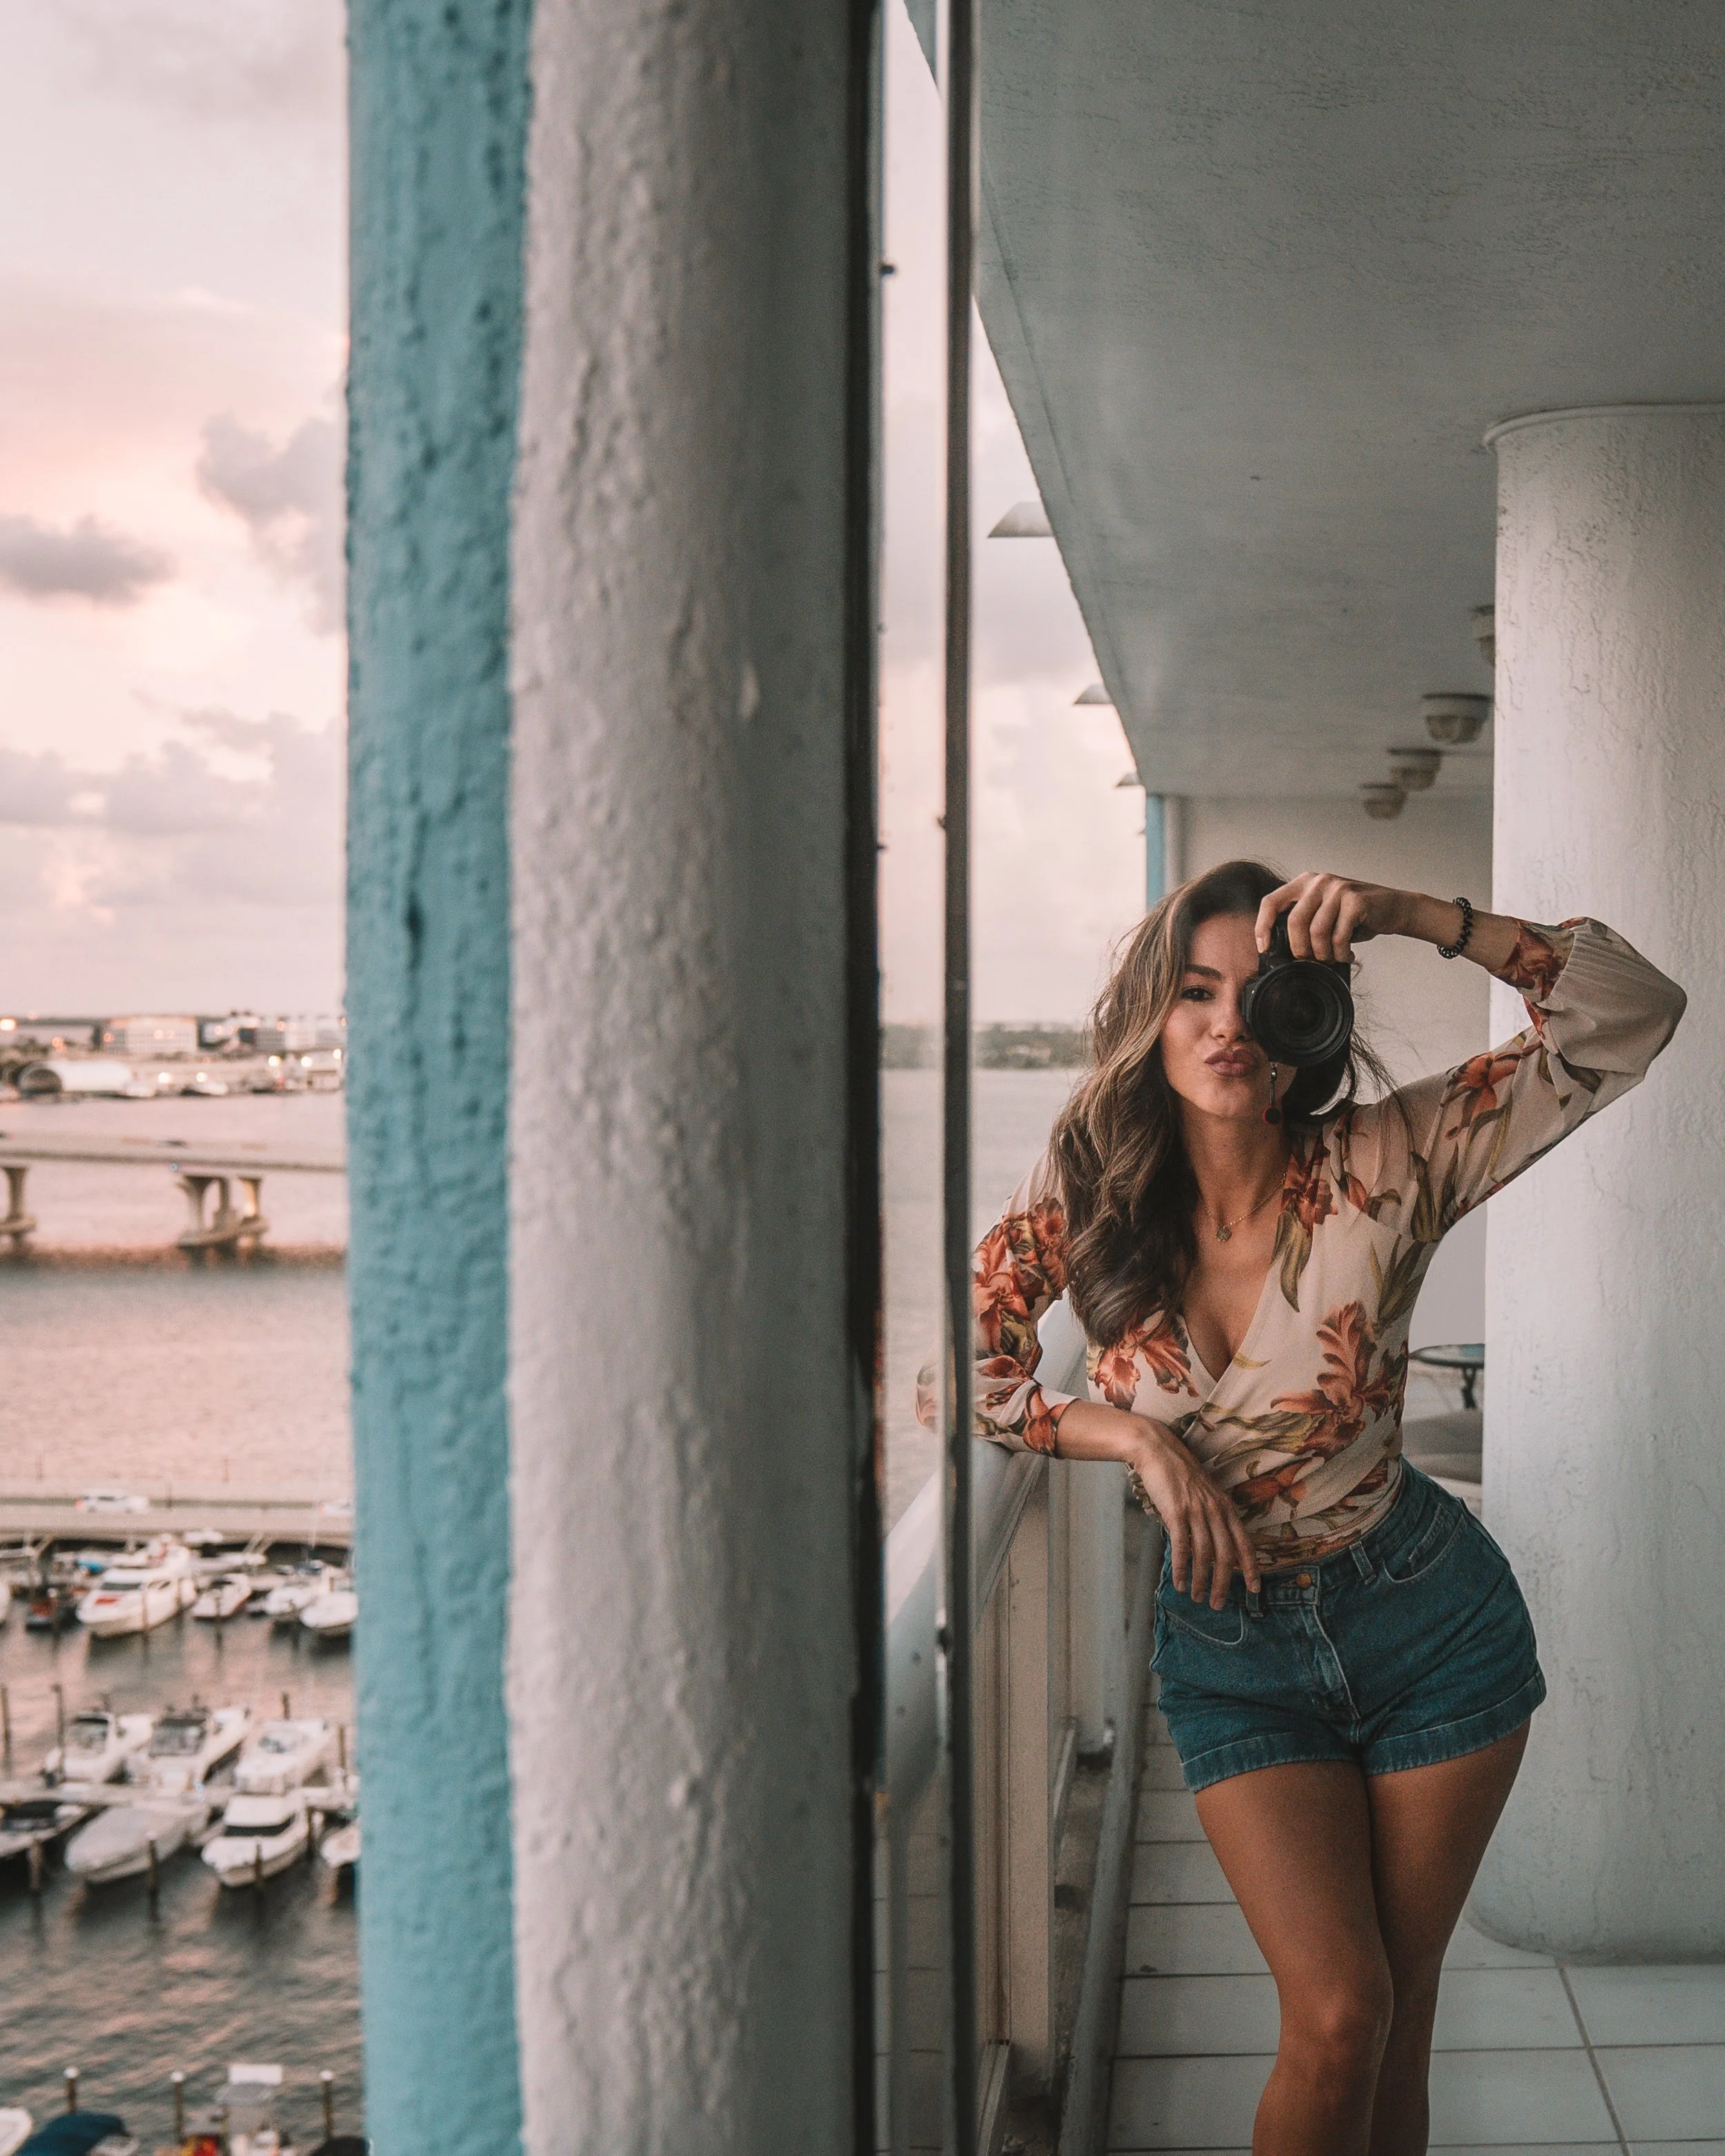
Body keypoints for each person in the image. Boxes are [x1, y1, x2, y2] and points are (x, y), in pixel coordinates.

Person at [962, 862, 1685, 2156]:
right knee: (1339, 2007)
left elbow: (1630, 1010)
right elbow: (964, 1374)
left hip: (1430, 1622)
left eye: (1264, 989)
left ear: (1312, 1019)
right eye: (1194, 990)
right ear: (1151, 1011)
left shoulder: (1389, 1158)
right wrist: (1132, 1438)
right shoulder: (1086, 1193)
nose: (1226, 1022)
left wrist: (1417, 915)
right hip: (1234, 1650)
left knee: (1396, 2019)